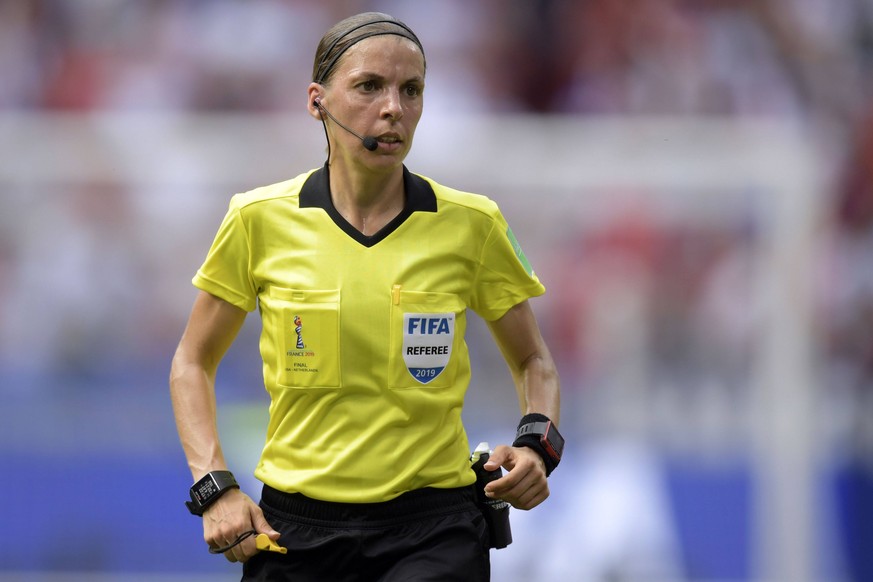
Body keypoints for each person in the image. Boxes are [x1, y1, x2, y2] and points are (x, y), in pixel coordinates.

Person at [169, 11, 562, 582]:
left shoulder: (473, 225)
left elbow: (534, 360)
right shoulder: (256, 220)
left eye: (412, 90)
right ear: (317, 101)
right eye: (369, 86)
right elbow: (190, 362)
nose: (393, 108)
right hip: (292, 532)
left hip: (435, 530)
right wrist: (214, 489)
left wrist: (536, 446)